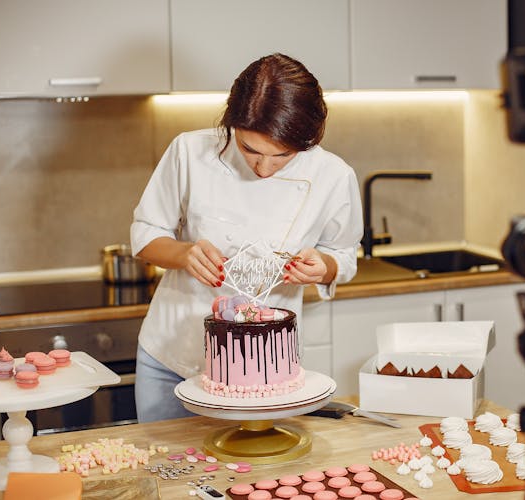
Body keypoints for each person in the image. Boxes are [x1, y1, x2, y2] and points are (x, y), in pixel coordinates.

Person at [130, 53, 363, 422]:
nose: (264, 167)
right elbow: (146, 234)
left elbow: (344, 253)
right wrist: (184, 253)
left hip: (262, 376)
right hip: (173, 356)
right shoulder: (189, 152)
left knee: (253, 476)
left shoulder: (333, 176)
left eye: (283, 155)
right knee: (167, 473)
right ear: (232, 124)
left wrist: (325, 266)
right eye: (250, 149)